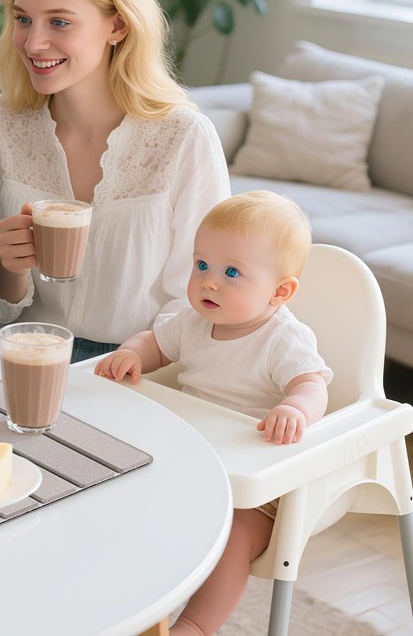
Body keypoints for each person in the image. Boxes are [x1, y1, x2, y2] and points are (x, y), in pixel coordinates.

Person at [0, 0, 230, 363]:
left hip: (137, 367)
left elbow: (199, 298)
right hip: (16, 353)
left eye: (60, 22)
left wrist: (135, 363)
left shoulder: (184, 138)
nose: (33, 42)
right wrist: (11, 266)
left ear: (118, 26)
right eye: (23, 19)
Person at [95, 190, 333, 636]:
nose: (208, 282)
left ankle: (197, 625)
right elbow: (156, 344)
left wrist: (294, 409)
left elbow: (311, 384)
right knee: (127, 503)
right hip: (192, 458)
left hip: (255, 490)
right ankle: (131, 606)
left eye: (231, 273)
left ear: (279, 292)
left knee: (234, 537)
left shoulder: (282, 339)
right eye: (201, 265)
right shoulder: (193, 321)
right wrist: (132, 353)